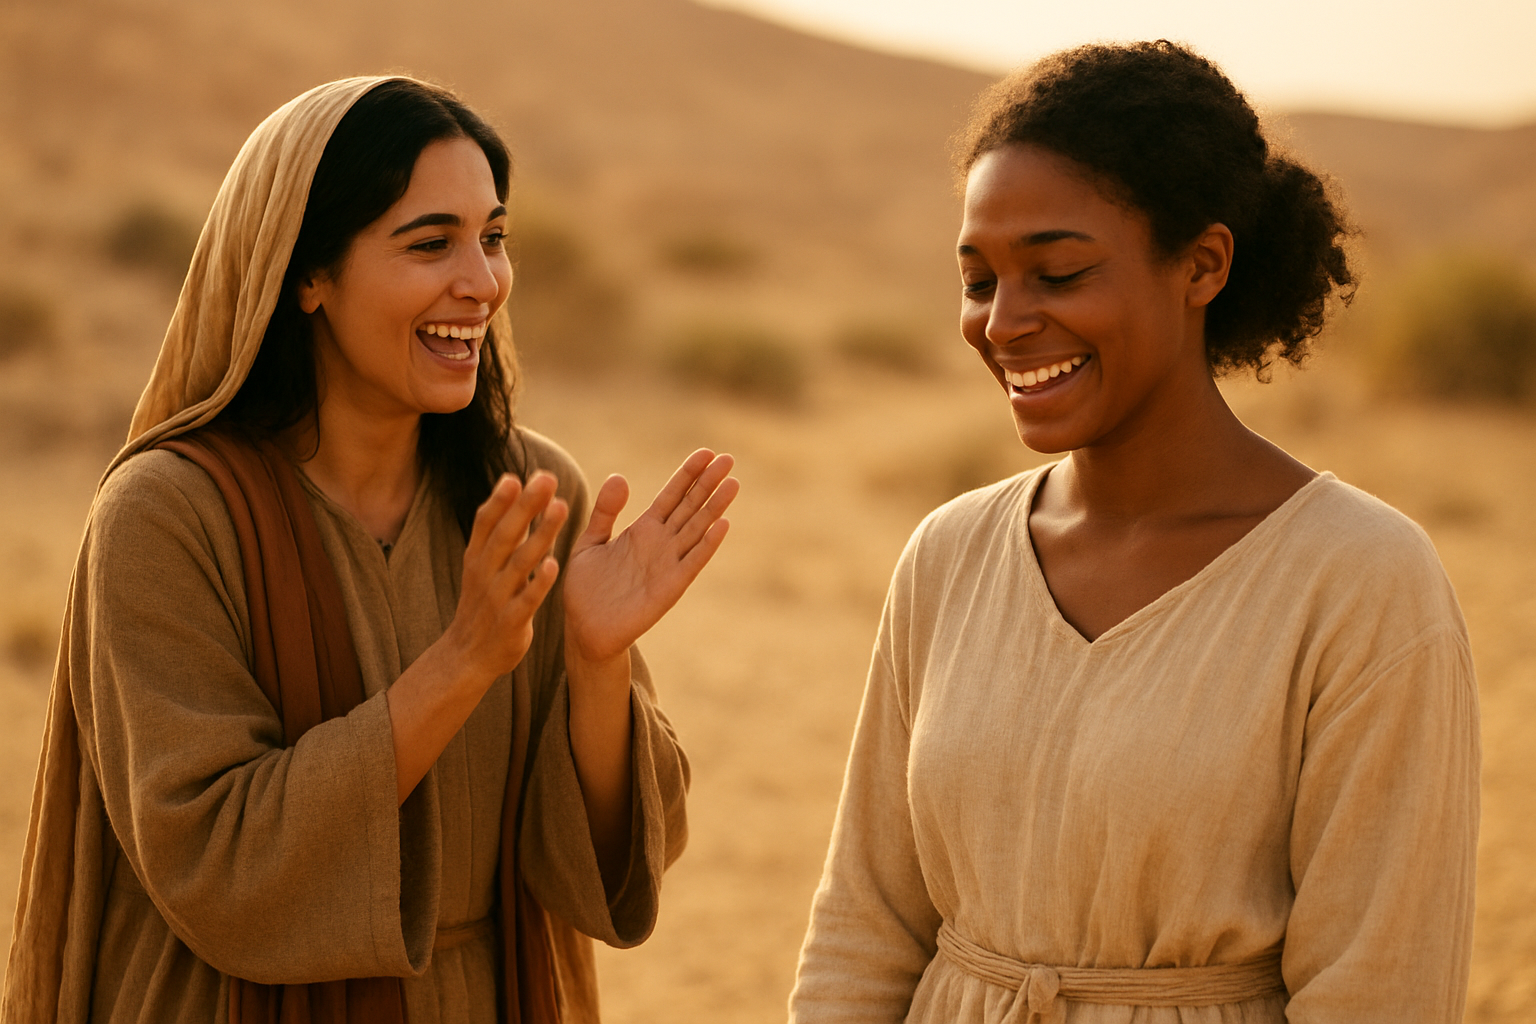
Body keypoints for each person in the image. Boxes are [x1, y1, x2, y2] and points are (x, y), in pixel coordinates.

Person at [3, 77, 737, 1024]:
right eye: (431, 243)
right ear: (306, 274)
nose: (481, 282)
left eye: (494, 237)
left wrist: (596, 666)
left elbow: (598, 873)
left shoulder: (527, 493)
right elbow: (216, 859)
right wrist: (466, 661)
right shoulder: (167, 516)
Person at [790, 41, 1478, 1024]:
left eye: (1059, 272)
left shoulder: (1361, 581)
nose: (1004, 321)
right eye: (980, 279)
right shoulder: (948, 556)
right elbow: (863, 930)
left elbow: (1382, 989)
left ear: (1201, 266)